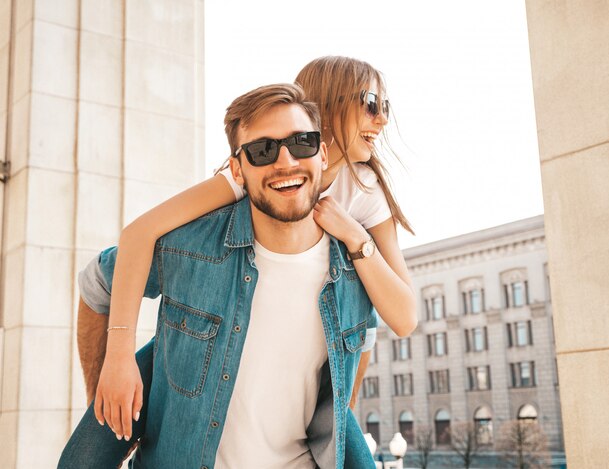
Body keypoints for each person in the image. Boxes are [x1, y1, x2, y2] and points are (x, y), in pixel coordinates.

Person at [86, 56, 417, 439]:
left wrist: (355, 238)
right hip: (207, 333)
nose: (382, 119)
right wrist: (119, 356)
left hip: (313, 373)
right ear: (332, 102)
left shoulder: (363, 188)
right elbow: (140, 234)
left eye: (386, 108)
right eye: (372, 104)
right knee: (90, 450)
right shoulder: (252, 174)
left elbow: (403, 317)